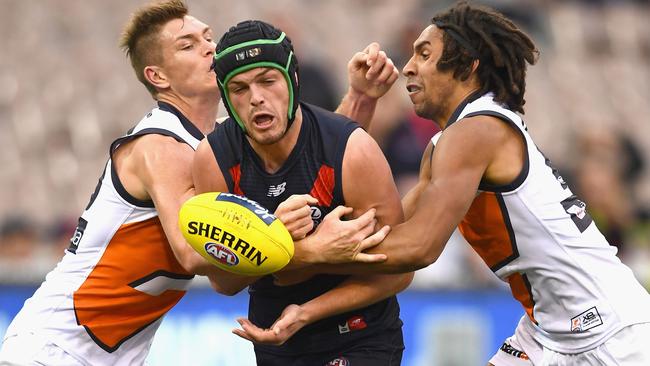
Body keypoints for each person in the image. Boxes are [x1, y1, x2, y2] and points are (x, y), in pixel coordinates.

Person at [237, 2, 650, 365]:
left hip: (608, 330)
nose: (408, 67)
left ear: (468, 65)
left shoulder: (476, 131)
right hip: (550, 327)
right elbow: (389, 228)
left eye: (425, 54)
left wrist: (296, 254)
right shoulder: (447, 142)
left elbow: (418, 248)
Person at [0, 1, 399, 365]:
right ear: (157, 76)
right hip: (55, 346)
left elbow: (311, 150)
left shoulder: (222, 141)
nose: (209, 48)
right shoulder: (163, 147)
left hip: (106, 354)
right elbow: (196, 255)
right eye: (188, 45)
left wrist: (359, 99)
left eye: (208, 37)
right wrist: (310, 249)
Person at [192, 20, 412, 366]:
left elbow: (399, 270)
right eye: (239, 88)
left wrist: (306, 312)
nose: (257, 98)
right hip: (273, 337)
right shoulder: (214, 159)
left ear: (293, 80)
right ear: (225, 97)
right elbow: (223, 281)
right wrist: (277, 240)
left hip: (359, 335)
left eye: (268, 80)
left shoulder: (352, 149)